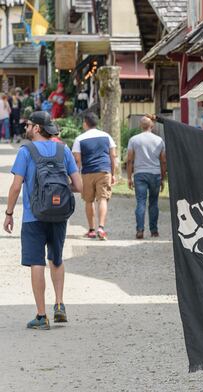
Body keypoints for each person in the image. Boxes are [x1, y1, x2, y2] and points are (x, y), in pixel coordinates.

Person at [4, 111, 82, 329]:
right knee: (56, 258)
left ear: (37, 128)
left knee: (36, 262)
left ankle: (41, 315)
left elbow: (16, 186)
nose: (26, 128)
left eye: (28, 125)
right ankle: (59, 305)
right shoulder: (63, 149)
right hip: (59, 214)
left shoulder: (26, 151)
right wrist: (58, 193)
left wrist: (9, 213)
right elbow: (79, 185)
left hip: (33, 216)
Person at [72, 112, 117, 240]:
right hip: (104, 170)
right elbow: (113, 156)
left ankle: (91, 229)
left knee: (88, 200)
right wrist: (112, 173)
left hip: (88, 172)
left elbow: (77, 160)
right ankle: (101, 228)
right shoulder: (107, 136)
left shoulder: (79, 139)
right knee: (102, 199)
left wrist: (77, 176)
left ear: (85, 123)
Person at [126, 116, 166, 239]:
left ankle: (140, 230)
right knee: (154, 203)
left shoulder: (134, 140)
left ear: (140, 126)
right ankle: (154, 231)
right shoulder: (159, 140)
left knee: (141, 203)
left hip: (140, 174)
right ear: (152, 126)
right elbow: (163, 161)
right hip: (155, 174)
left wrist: (129, 177)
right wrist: (163, 178)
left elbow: (129, 160)